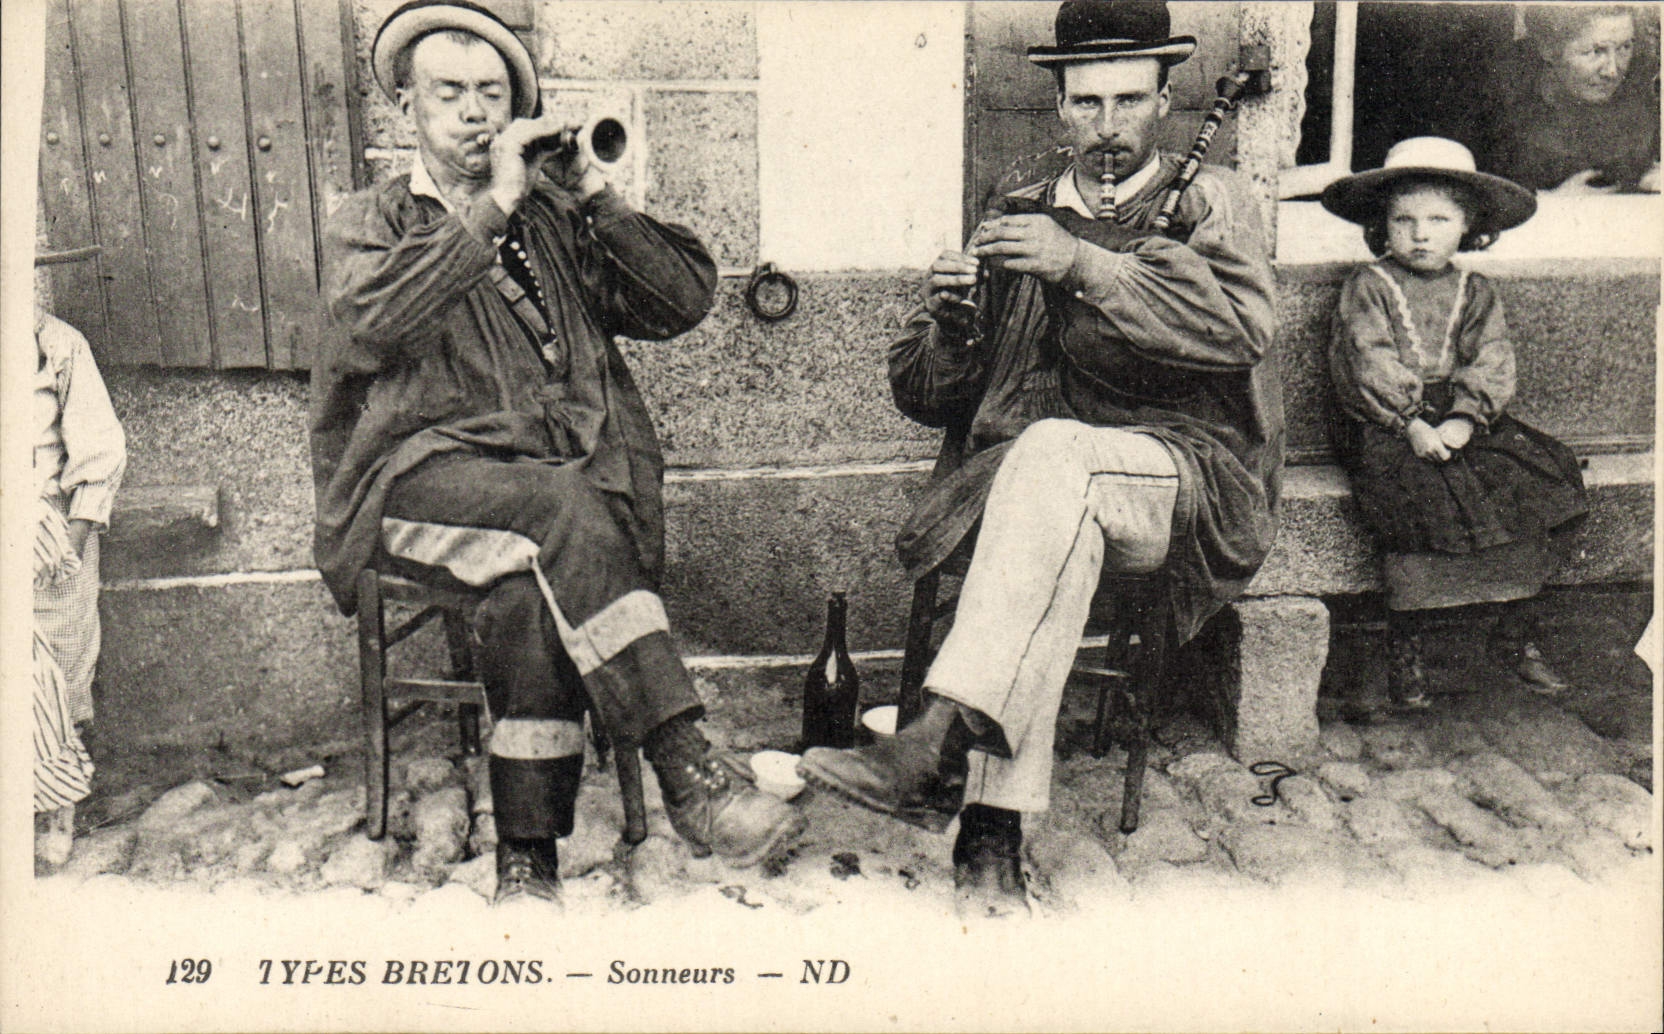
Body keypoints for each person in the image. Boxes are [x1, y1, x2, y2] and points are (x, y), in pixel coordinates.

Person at [311, 0, 803, 905]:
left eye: (491, 94)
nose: (472, 113)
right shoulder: (366, 223)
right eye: (447, 93)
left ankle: (526, 863)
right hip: (414, 489)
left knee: (529, 592)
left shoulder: (549, 218)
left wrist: (592, 195)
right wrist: (492, 204)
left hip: (542, 516)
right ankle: (686, 765)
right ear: (403, 109)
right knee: (561, 514)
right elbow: (375, 321)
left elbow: (683, 301)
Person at [798, 0, 1282, 912]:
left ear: (1167, 100)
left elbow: (1242, 333)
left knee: (1055, 463)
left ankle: (934, 739)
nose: (1109, 127)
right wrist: (950, 326)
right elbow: (928, 399)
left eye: (1130, 101)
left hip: (1183, 475)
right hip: (1042, 494)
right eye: (1087, 103)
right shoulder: (1018, 208)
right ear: (1058, 108)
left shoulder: (1213, 200)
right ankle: (988, 838)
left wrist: (1084, 266)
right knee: (1050, 509)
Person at [1322, 137, 1589, 709]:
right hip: (1385, 421)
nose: (1421, 234)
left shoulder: (1475, 290)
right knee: (1417, 497)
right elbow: (1366, 361)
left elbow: (1492, 359)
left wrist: (1467, 419)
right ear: (1383, 226)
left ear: (1467, 226)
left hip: (1465, 417)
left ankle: (1514, 635)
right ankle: (1407, 646)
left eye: (1439, 219)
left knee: (1536, 479)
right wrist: (1412, 423)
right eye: (1405, 220)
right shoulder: (1369, 286)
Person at [32, 244, 126, 868]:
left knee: (55, 670)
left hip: (43, 532)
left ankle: (54, 806)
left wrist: (69, 546)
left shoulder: (56, 345)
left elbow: (98, 451)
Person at [1478, 4, 1659, 195]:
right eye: (1596, 51)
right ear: (1548, 49)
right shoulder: (1503, 114)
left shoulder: (1645, 92)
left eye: (1625, 47)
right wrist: (1553, 203)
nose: (1612, 71)